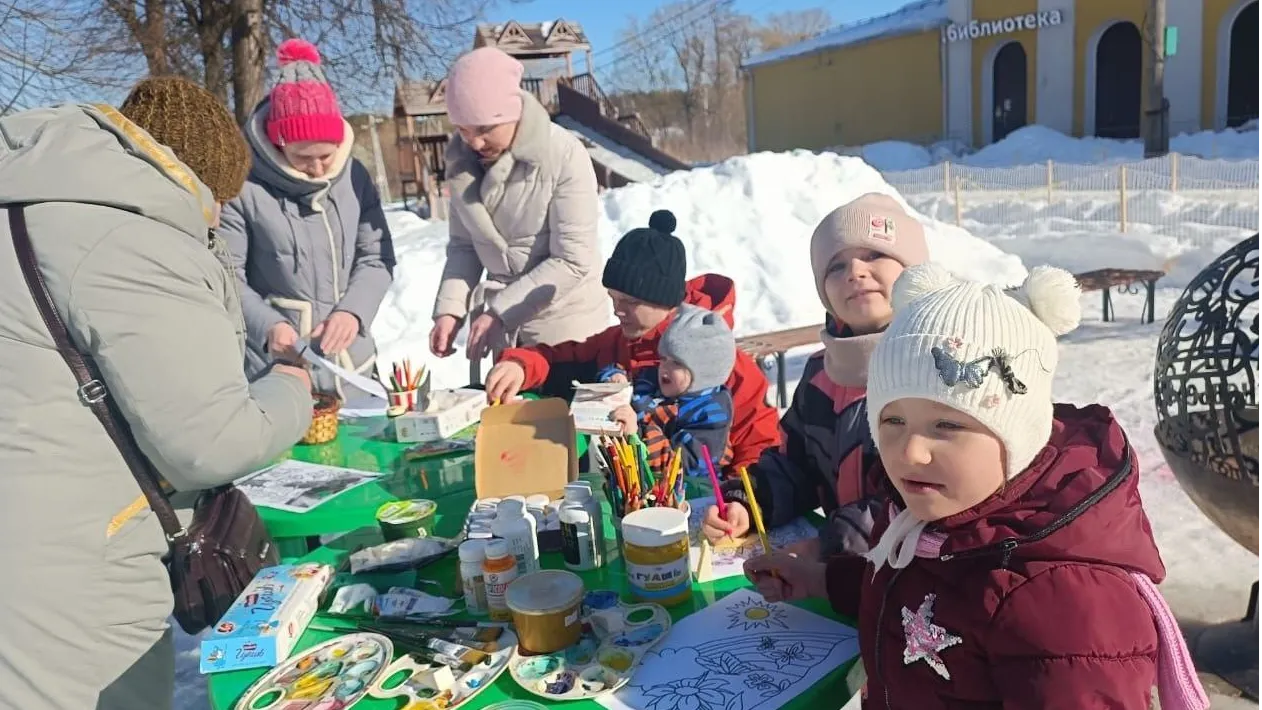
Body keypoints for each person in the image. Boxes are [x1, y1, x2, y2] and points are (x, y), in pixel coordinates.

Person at [744, 263, 1209, 709]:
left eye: (947, 424)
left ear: (1018, 434)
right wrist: (820, 580)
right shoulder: (929, 519)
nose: (909, 452)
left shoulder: (1061, 598)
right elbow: (908, 586)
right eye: (893, 420)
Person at [0, 78, 314, 709]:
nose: (218, 215)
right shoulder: (126, 234)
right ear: (190, 176)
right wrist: (292, 387)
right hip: (69, 572)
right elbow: (209, 441)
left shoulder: (39, 198)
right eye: (215, 199)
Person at [701, 193, 928, 553]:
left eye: (874, 255)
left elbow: (922, 502)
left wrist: (829, 549)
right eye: (836, 267)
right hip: (837, 581)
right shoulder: (821, 372)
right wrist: (749, 503)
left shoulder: (935, 371)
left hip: (919, 587)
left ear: (914, 272)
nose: (855, 271)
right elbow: (796, 467)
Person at [484, 209, 779, 475]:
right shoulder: (619, 343)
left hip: (707, 507)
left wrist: (741, 500)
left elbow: (761, 444)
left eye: (630, 302)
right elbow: (560, 358)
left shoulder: (722, 360)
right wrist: (520, 365)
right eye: (613, 298)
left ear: (665, 301)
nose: (617, 310)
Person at [220, 38, 395, 400]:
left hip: (351, 367)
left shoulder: (355, 177)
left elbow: (376, 257)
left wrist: (353, 313)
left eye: (326, 156)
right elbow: (226, 275)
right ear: (278, 143)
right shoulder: (243, 187)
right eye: (303, 157)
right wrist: (268, 326)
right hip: (278, 370)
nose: (316, 168)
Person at [429, 46, 608, 363]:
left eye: (485, 129)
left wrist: (501, 310)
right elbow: (464, 247)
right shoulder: (461, 163)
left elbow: (572, 260)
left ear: (513, 114)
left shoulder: (563, 154)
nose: (474, 142)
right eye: (463, 129)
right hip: (504, 334)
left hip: (567, 331)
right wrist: (450, 310)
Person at [609, 304, 736, 478]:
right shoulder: (654, 379)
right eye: (663, 358)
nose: (664, 367)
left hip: (685, 493)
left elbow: (681, 465)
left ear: (704, 373)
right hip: (630, 470)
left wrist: (637, 434)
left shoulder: (711, 414)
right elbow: (625, 373)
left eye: (676, 362)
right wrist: (616, 377)